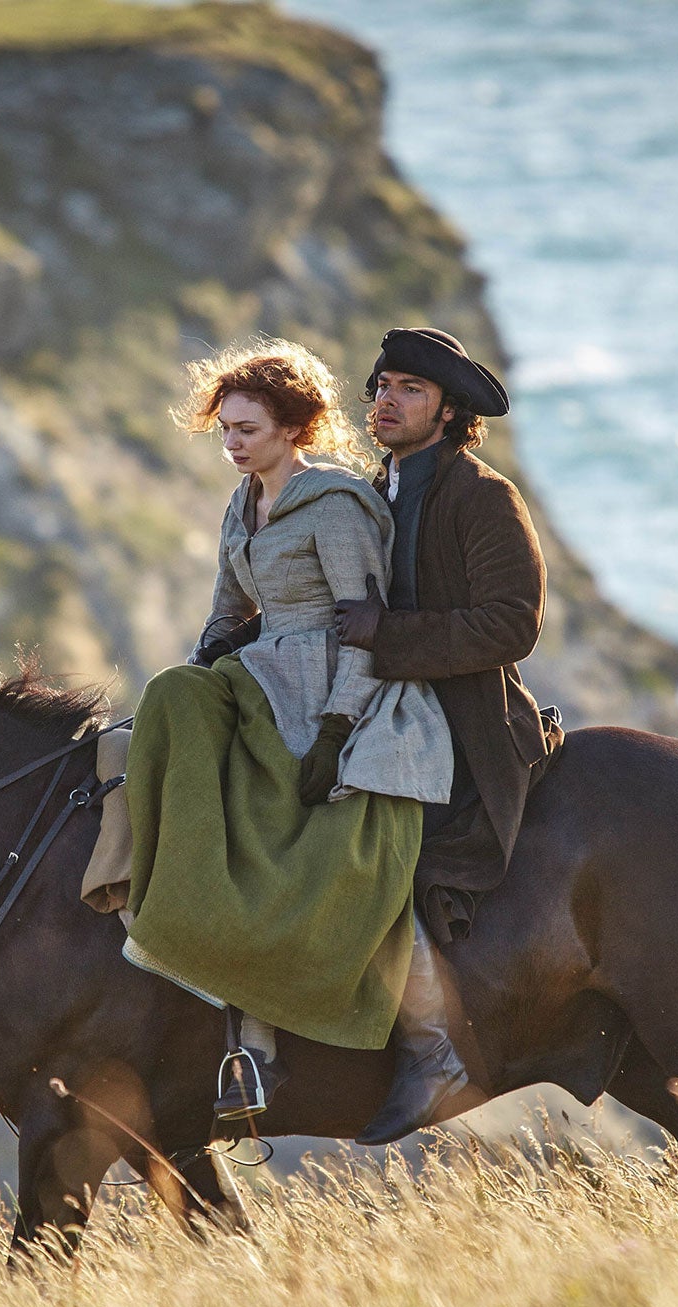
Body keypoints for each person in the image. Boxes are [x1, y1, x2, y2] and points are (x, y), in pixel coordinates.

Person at [121, 341, 454, 1121]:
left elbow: (369, 624)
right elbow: (225, 614)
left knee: (297, 847)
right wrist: (204, 661)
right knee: (168, 700)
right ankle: (225, 1014)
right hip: (262, 678)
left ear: (294, 427)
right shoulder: (241, 505)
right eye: (226, 429)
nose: (233, 443)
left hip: (337, 689)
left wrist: (339, 728)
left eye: (248, 428)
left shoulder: (335, 505)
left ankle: (410, 1035)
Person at [333, 327, 555, 1145]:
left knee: (368, 853)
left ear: (451, 411)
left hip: (467, 734)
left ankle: (434, 1058)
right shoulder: (372, 488)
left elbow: (513, 623)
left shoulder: (482, 496)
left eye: (411, 390)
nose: (387, 400)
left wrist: (388, 634)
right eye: (383, 385)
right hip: (380, 715)